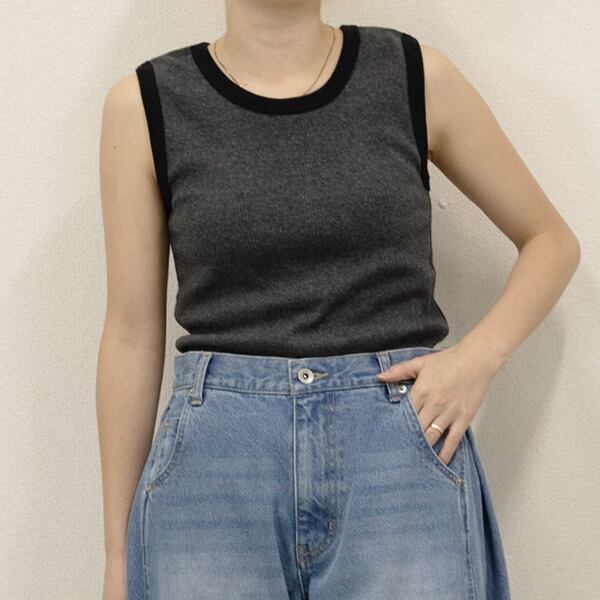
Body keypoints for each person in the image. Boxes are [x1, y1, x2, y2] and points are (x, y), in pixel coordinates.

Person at [97, 4, 580, 600]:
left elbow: (550, 240)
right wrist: (117, 559)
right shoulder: (144, 105)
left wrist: (477, 360)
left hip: (397, 448)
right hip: (216, 467)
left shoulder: (414, 76)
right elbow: (131, 334)